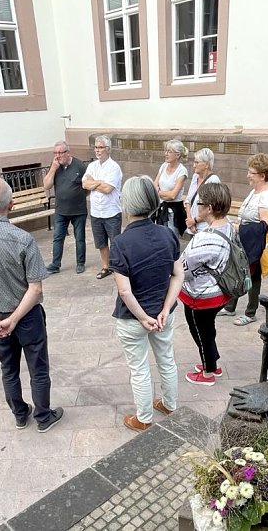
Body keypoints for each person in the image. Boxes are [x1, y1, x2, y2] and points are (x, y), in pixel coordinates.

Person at [0, 177, 63, 433]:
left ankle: (19, 414)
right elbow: (35, 288)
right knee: (38, 368)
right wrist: (14, 319)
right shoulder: (23, 239)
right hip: (26, 317)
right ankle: (43, 416)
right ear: (11, 205)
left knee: (8, 369)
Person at [109, 176, 183, 432]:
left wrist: (142, 317)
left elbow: (124, 291)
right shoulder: (168, 234)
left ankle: (144, 418)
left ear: (127, 204)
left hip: (133, 318)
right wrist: (165, 309)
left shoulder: (121, 243)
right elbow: (178, 275)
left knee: (139, 368)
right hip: (163, 315)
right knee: (166, 359)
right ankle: (169, 404)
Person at [180, 183, 235, 386]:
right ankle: (212, 362)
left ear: (209, 208)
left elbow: (184, 268)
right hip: (221, 290)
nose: (197, 207)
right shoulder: (229, 226)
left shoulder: (205, 238)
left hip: (202, 295)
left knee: (201, 331)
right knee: (207, 330)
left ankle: (208, 372)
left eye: (199, 203)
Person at [219, 153, 268, 326]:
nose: (248, 175)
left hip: (255, 245)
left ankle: (250, 312)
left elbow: (267, 225)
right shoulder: (257, 190)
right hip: (247, 242)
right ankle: (230, 307)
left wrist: (240, 228)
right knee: (241, 272)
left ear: (262, 175)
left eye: (251, 173)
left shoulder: (266, 196)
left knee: (252, 277)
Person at [42, 141, 88, 274]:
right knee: (58, 238)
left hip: (78, 210)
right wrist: (53, 169)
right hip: (61, 210)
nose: (57, 156)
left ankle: (80, 263)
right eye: (55, 153)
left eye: (60, 153)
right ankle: (55, 264)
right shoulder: (55, 166)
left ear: (67, 153)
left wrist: (77, 197)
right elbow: (46, 185)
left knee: (79, 238)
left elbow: (87, 187)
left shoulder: (80, 166)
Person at [82, 135, 123, 280]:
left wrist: (94, 183)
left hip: (111, 211)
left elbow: (108, 189)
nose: (97, 150)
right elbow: (84, 184)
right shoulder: (92, 166)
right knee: (101, 242)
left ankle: (118, 268)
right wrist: (99, 182)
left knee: (115, 242)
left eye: (100, 147)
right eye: (96, 147)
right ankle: (106, 267)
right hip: (96, 212)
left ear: (108, 149)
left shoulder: (114, 167)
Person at [152, 139, 188, 239]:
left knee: (172, 239)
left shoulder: (182, 171)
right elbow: (154, 185)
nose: (166, 154)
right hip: (161, 209)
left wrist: (158, 192)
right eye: (166, 151)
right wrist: (163, 193)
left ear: (177, 155)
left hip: (174, 212)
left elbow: (173, 195)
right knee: (160, 239)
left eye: (169, 151)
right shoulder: (163, 166)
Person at [184, 147, 220, 235]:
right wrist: (189, 220)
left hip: (205, 228)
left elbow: (212, 208)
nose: (194, 165)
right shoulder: (195, 177)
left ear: (206, 164)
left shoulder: (213, 181)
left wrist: (194, 221)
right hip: (191, 226)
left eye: (197, 162)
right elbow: (188, 200)